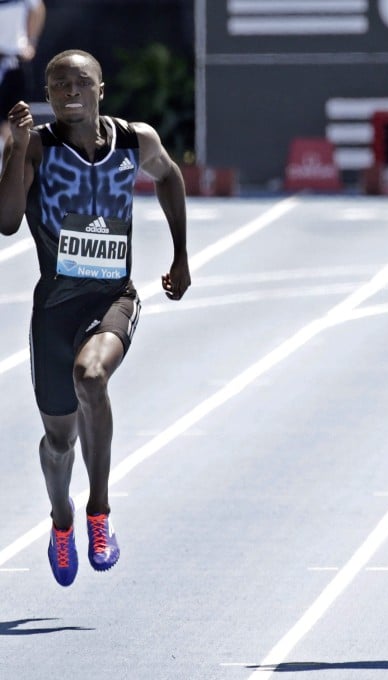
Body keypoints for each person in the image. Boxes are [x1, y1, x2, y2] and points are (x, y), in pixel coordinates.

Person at [0, 50, 190, 586]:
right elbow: (8, 222)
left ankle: (98, 512)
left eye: (81, 81)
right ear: (48, 92)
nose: (70, 91)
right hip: (55, 311)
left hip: (113, 297)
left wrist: (181, 255)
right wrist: (14, 150)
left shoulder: (135, 140)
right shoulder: (38, 144)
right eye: (58, 84)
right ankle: (62, 518)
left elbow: (170, 177)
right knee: (58, 442)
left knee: (92, 376)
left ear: (101, 88)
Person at [0, 0, 46, 165]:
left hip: (12, 60)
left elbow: (38, 8)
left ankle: (15, 168)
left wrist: (31, 41)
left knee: (12, 119)